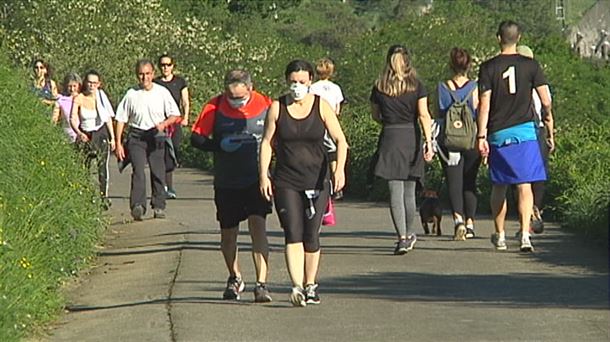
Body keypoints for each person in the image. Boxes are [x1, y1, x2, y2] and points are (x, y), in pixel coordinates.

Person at [259, 59, 348, 307]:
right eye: (292, 82)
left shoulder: (321, 106)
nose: (297, 86)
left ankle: (311, 284)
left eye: (301, 82)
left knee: (311, 234)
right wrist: (264, 174)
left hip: (317, 180)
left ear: (311, 81)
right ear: (287, 81)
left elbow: (341, 140)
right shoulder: (277, 107)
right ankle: (296, 286)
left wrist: (339, 170)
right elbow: (267, 142)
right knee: (293, 233)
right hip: (287, 180)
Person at [190, 69, 273, 303]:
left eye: (240, 97)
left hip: (257, 180)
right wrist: (218, 145)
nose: (236, 101)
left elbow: (279, 134)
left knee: (258, 228)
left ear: (250, 88)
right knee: (229, 234)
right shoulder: (215, 106)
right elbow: (196, 138)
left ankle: (261, 283)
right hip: (227, 181)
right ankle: (234, 276)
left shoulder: (266, 104)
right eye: (231, 97)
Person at [477, 21, 554, 252]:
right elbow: (546, 100)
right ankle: (524, 236)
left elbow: (484, 104)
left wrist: (481, 135)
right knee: (524, 185)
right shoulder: (531, 65)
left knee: (499, 185)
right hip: (526, 132)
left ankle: (499, 235)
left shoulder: (488, 67)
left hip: (499, 133)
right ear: (518, 38)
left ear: (498, 38)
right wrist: (548, 117)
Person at [370, 45, 434, 255]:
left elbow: (375, 115)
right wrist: (429, 142)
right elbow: (424, 115)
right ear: (407, 60)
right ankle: (409, 233)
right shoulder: (416, 85)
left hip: (390, 136)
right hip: (410, 136)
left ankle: (402, 237)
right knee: (409, 191)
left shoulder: (380, 86)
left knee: (394, 191)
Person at [115, 59, 180, 221]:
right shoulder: (131, 94)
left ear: (153, 74)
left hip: (156, 135)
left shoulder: (162, 92)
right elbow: (121, 119)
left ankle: (158, 205)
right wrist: (117, 143)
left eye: (148, 74)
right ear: (137, 75)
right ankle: (138, 205)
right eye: (141, 75)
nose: (144, 78)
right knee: (138, 171)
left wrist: (164, 124)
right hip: (137, 136)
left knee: (158, 171)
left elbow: (175, 114)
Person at [436, 47, 481, 240]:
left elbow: (438, 113)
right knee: (469, 182)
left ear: (450, 65)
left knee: (453, 181)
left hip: (450, 141)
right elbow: (479, 113)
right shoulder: (475, 87)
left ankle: (458, 220)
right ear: (469, 65)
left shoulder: (442, 87)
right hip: (471, 140)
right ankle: (470, 224)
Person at [516, 45, 555, 234]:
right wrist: (551, 134)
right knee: (539, 173)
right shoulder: (540, 83)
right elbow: (547, 110)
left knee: (521, 178)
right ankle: (535, 209)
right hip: (537, 130)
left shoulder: (512, 84)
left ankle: (525, 219)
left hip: (517, 131)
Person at [70, 70, 116, 207]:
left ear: (99, 84)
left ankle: (104, 197)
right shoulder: (78, 98)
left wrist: (112, 138)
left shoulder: (101, 97)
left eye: (94, 83)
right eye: (89, 82)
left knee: (102, 166)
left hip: (100, 133)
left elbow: (107, 118)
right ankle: (85, 195)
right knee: (84, 167)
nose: (91, 85)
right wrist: (78, 132)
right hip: (85, 133)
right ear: (85, 83)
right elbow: (73, 117)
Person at [153, 54, 190, 199]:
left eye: (168, 64)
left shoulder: (179, 82)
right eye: (162, 65)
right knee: (162, 154)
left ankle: (167, 185)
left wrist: (185, 117)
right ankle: (165, 186)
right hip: (160, 123)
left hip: (174, 122)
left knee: (173, 152)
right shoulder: (155, 83)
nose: (165, 67)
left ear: (173, 66)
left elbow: (185, 101)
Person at [309, 57, 346, 200]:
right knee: (333, 153)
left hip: (315, 123)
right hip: (331, 123)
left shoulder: (312, 88)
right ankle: (336, 183)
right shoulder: (336, 88)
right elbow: (337, 110)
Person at [52, 72, 81, 142]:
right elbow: (55, 118)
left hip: (81, 136)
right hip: (66, 137)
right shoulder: (61, 99)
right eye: (70, 86)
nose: (72, 89)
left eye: (74, 86)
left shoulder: (82, 98)